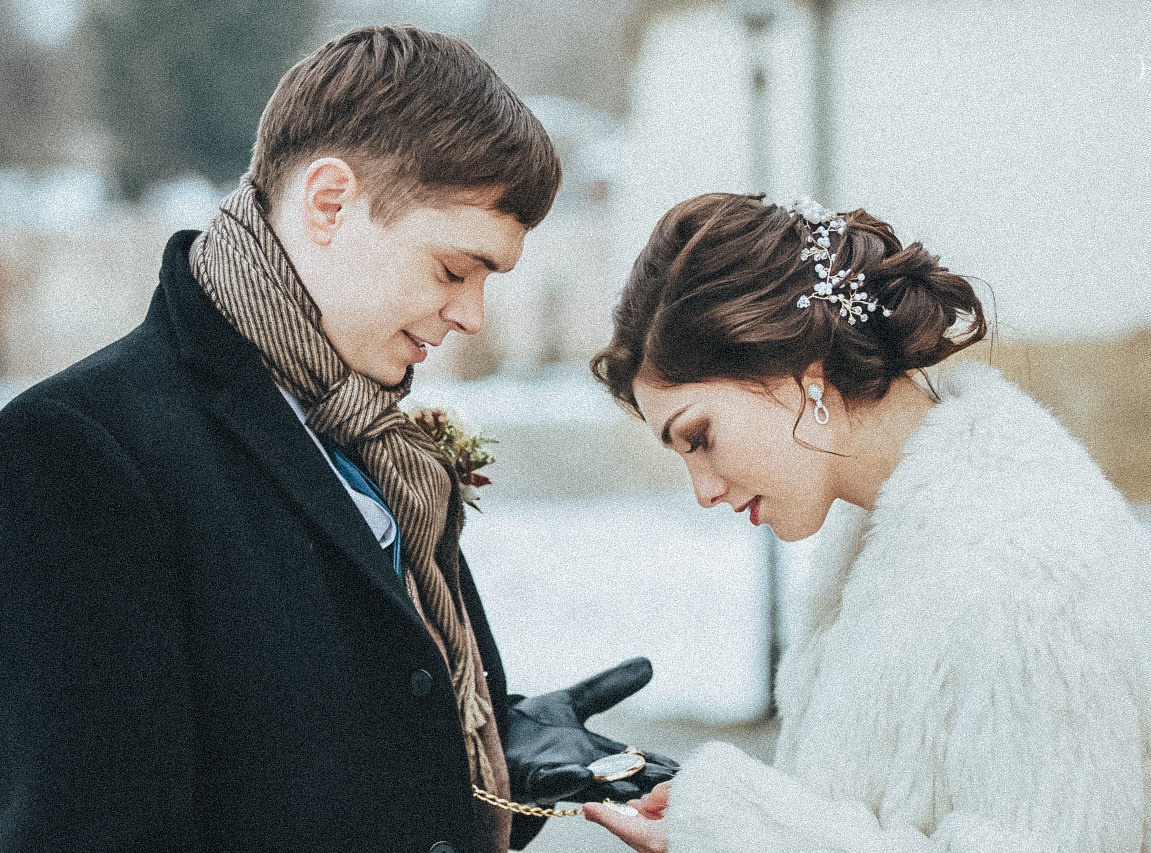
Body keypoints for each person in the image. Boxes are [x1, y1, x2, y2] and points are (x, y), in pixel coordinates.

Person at [0, 26, 674, 853]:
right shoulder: (81, 450)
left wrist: (489, 755)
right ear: (328, 202)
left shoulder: (373, 432)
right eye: (455, 270)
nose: (472, 316)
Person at [582, 193, 1151, 852]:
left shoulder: (1023, 563)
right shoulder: (903, 539)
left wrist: (744, 829)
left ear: (800, 372)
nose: (704, 491)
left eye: (700, 436)